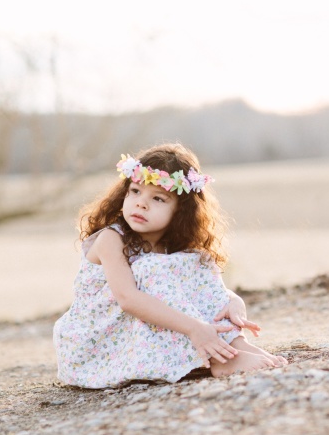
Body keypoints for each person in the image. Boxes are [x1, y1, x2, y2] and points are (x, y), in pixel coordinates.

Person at [53, 143, 287, 388]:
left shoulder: (176, 248)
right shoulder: (111, 239)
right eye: (135, 191)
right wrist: (196, 328)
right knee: (153, 268)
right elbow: (128, 299)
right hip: (97, 343)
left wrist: (232, 300)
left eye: (158, 198)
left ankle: (234, 346)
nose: (141, 204)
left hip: (135, 329)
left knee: (197, 260)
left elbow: (196, 288)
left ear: (180, 211)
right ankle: (220, 359)